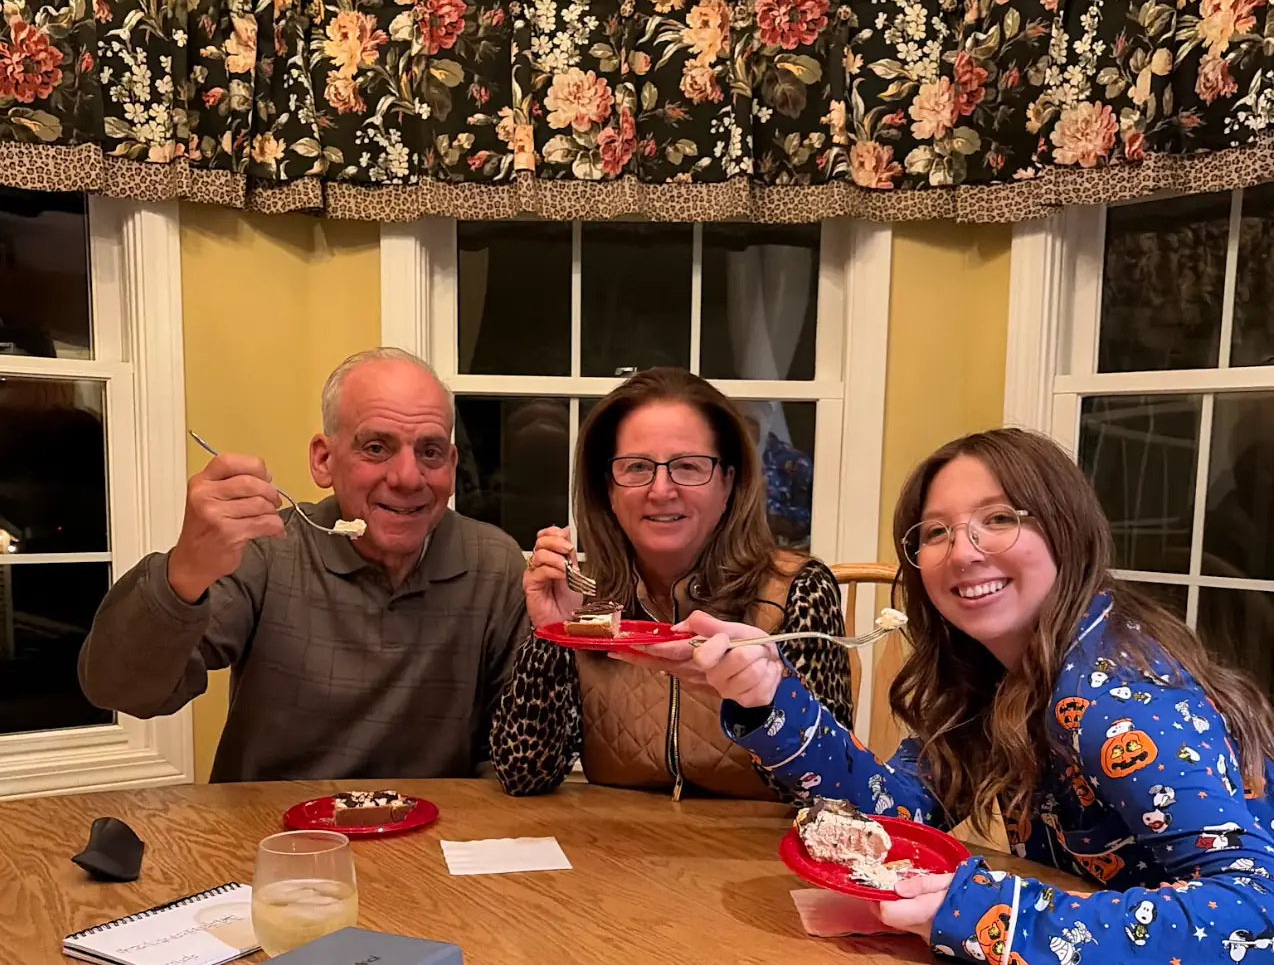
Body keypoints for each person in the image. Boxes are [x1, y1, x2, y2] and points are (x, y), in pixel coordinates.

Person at [675, 428, 1274, 962]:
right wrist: (768, 696)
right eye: (936, 532)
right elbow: (897, 814)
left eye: (1000, 518)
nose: (963, 552)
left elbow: (1253, 910)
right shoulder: (994, 676)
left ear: (1067, 531)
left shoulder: (1113, 695)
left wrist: (986, 915)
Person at [79, 348, 528, 782]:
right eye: (376, 448)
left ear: (452, 465)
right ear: (323, 460)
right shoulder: (267, 552)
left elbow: (511, 757)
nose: (408, 478)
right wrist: (184, 572)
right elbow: (118, 689)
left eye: (430, 452)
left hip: (437, 826)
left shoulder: (493, 564)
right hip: (271, 827)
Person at [490, 367, 853, 800]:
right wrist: (552, 635)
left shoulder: (798, 589)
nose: (661, 490)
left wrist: (764, 703)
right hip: (616, 836)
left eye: (688, 466)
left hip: (756, 840)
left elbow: (834, 788)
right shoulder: (585, 598)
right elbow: (523, 776)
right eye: (637, 467)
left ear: (728, 483)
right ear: (608, 489)